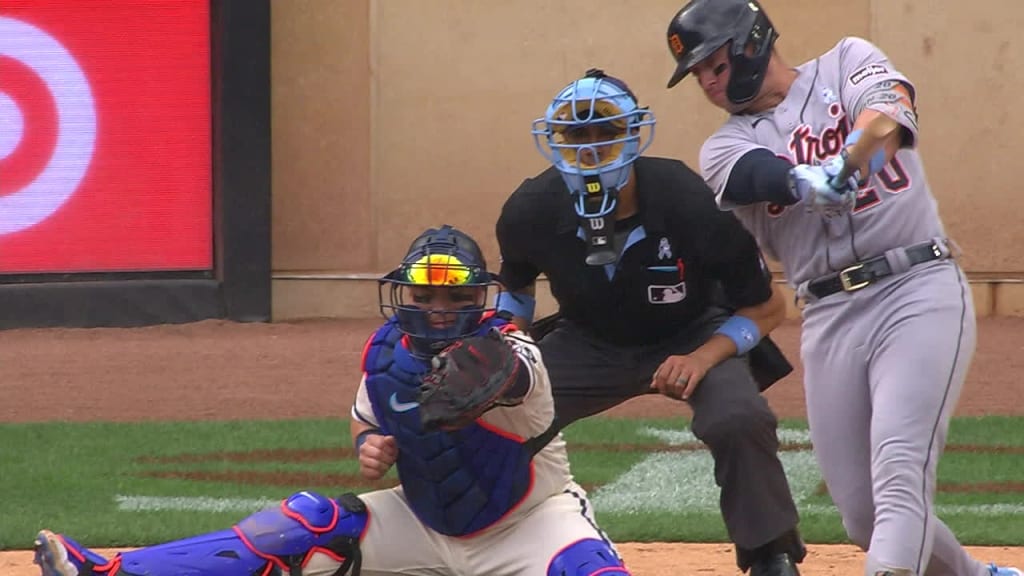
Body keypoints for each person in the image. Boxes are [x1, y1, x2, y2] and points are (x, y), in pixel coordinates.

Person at [33, 224, 632, 576]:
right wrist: (370, 446)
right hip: (424, 524)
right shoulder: (385, 357)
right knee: (303, 526)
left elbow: (513, 375)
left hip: (527, 522)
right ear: (407, 294)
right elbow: (364, 422)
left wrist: (473, 378)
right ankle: (110, 572)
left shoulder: (510, 347)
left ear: (480, 300)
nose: (439, 309)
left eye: (454, 298)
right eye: (426, 294)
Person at [663, 1, 1022, 575]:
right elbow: (756, 173)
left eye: (714, 63)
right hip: (829, 315)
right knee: (862, 516)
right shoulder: (721, 148)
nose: (707, 81)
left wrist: (849, 164)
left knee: (900, 467)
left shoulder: (846, 60)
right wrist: (803, 177)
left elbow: (886, 118)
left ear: (752, 41)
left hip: (916, 287)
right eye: (699, 74)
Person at [495, 69, 806, 575]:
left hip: (694, 331)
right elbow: (516, 291)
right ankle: (478, 534)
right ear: (556, 140)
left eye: (605, 130)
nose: (592, 148)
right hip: (590, 339)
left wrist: (704, 356)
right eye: (578, 134)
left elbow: (769, 308)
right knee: (498, 413)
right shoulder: (530, 208)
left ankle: (770, 554)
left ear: (634, 133)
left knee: (738, 416)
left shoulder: (689, 200)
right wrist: (503, 351)